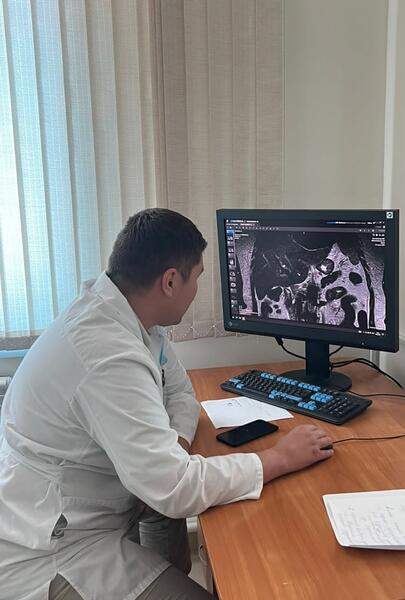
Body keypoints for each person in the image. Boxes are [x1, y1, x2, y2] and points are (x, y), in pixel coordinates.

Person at [0, 208, 333, 600]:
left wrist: (172, 447)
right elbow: (174, 488)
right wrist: (279, 458)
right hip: (54, 548)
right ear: (171, 281)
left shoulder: (128, 315)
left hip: (93, 507)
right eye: (198, 277)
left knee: (164, 509)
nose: (198, 290)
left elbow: (180, 394)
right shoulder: (106, 354)